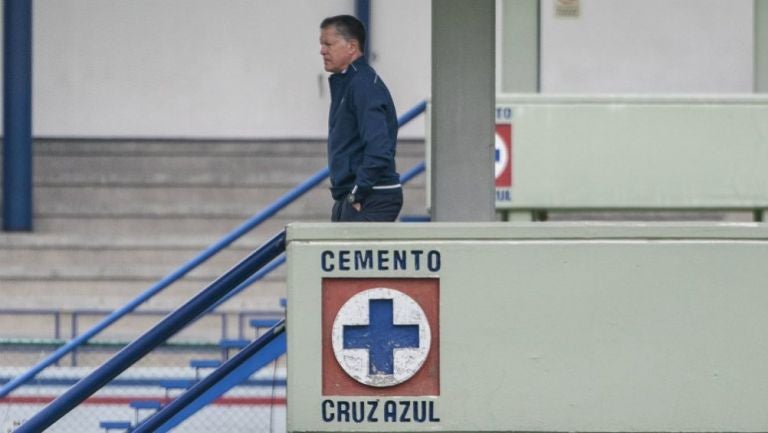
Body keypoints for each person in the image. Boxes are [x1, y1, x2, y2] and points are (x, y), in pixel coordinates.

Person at [320, 15, 403, 222]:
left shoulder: (363, 85)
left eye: (328, 44)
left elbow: (378, 148)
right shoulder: (350, 83)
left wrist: (357, 192)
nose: (322, 50)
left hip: (371, 196)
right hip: (353, 195)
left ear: (351, 46)